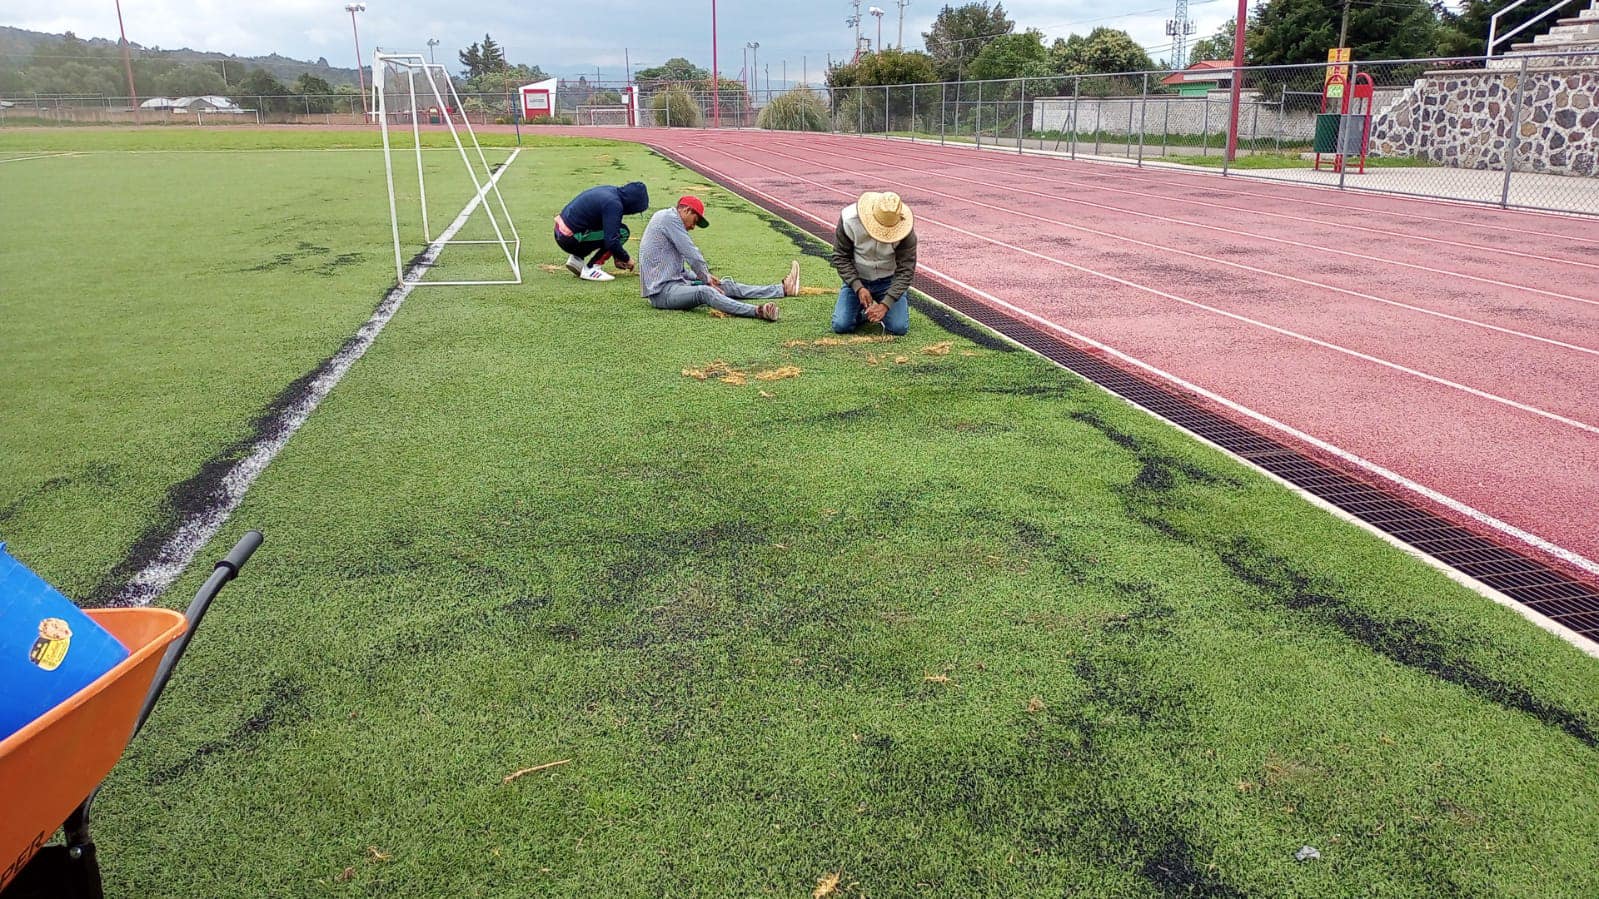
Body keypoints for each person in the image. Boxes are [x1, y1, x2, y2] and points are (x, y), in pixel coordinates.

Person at [639, 195, 800, 322]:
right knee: (705, 291)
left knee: (724, 285)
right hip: (661, 294)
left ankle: (782, 289)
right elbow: (692, 255)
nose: (693, 227)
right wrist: (705, 279)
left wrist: (705, 278)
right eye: (695, 221)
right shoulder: (669, 219)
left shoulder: (667, 220)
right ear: (686, 210)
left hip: (675, 284)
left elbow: (679, 271)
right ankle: (757, 311)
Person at [830, 190, 917, 337]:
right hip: (858, 279)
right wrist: (857, 287)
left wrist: (886, 304)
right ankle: (861, 314)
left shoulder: (905, 230)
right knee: (841, 325)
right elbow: (840, 256)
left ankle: (887, 306)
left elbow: (906, 270)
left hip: (888, 280)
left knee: (899, 328)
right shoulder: (849, 219)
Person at [554, 181, 650, 282]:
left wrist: (616, 255)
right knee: (623, 232)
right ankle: (592, 268)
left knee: (610, 228)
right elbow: (612, 240)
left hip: (560, 232)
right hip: (570, 239)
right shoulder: (614, 204)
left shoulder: (611, 192)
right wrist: (626, 258)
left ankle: (577, 259)